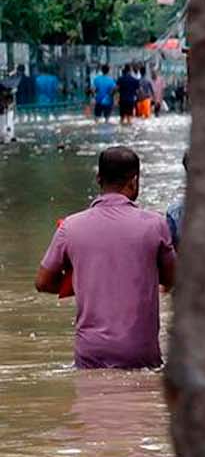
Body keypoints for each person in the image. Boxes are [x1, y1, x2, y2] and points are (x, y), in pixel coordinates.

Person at [34, 147, 177, 369]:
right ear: (134, 181)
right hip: (139, 352)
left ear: (98, 178)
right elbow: (172, 278)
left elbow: (42, 282)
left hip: (90, 351)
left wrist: (80, 284)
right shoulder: (154, 224)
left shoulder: (71, 226)